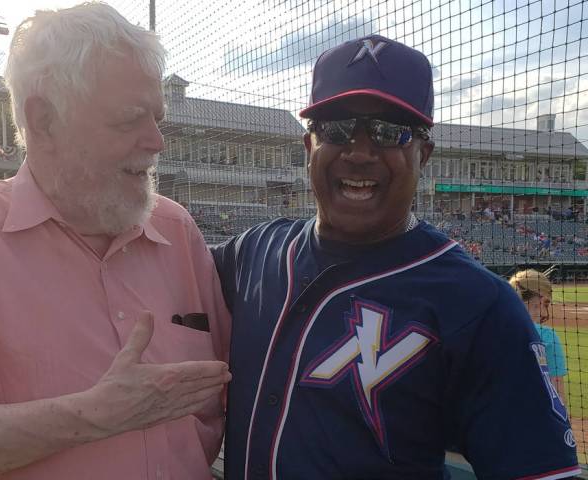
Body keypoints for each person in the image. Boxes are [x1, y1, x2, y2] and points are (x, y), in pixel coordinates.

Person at [0, 3, 231, 479]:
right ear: (43, 120)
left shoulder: (178, 230)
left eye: (156, 118)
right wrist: (92, 416)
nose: (157, 140)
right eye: (129, 119)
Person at [212, 35, 579, 479]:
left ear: (423, 155)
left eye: (390, 131)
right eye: (336, 128)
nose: (360, 151)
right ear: (309, 146)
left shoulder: (480, 304)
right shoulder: (253, 251)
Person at [509, 269, 569, 402]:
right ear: (542, 301)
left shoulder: (492, 328)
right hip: (534, 416)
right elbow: (558, 396)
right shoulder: (548, 336)